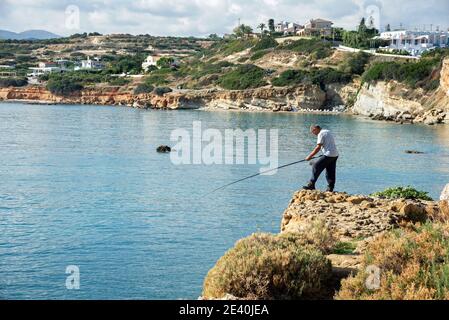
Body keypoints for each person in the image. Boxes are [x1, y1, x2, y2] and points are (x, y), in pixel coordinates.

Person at [303, 125, 339, 192]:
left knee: (315, 166)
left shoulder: (321, 133)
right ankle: (330, 188)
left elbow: (318, 147)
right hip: (335, 155)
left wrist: (309, 156)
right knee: (330, 171)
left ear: (315, 129)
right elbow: (328, 144)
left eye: (312, 132)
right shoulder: (327, 131)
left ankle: (311, 185)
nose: (313, 134)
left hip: (328, 154)